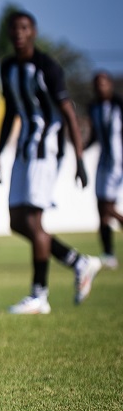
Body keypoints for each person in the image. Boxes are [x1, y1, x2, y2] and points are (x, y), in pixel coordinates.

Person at [0, 10, 101, 314]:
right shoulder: (7, 67)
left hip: (47, 149)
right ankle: (79, 262)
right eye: (14, 28)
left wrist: (79, 158)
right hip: (23, 151)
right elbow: (11, 111)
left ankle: (39, 295)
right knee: (16, 222)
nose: (19, 33)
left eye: (24, 28)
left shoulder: (47, 67)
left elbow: (67, 111)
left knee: (34, 222)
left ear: (33, 32)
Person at [86, 70, 123, 270]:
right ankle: (109, 253)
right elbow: (94, 136)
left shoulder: (119, 105)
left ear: (110, 84)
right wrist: (80, 149)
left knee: (108, 207)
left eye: (104, 83)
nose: (101, 87)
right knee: (101, 210)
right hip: (102, 163)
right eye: (97, 84)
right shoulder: (93, 107)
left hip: (118, 163)